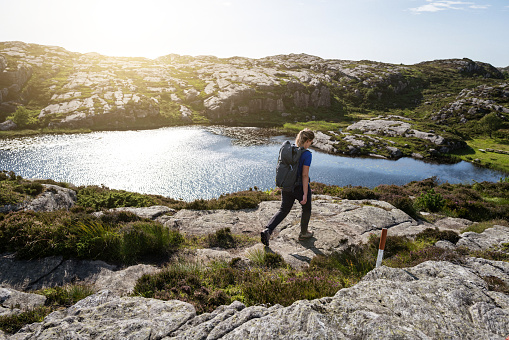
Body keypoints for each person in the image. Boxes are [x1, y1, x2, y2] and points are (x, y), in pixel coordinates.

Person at [261, 128, 315, 247]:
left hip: (287, 186)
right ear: (308, 141)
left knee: (283, 210)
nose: (311, 144)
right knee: (306, 209)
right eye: (311, 142)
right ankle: (303, 233)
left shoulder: (289, 150)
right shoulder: (306, 154)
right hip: (299, 187)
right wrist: (305, 194)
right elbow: (305, 175)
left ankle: (267, 230)